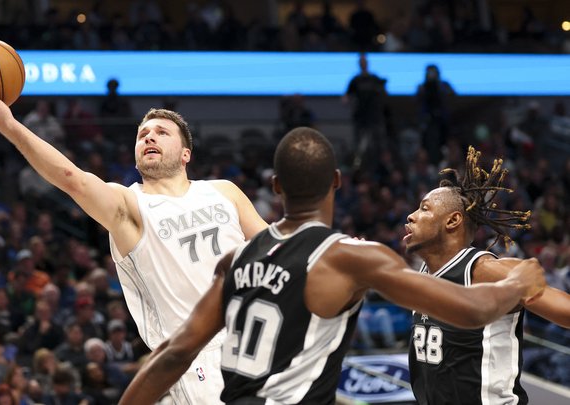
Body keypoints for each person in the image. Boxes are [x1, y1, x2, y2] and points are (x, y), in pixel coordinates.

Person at [119, 127, 545, 405]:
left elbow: (173, 354)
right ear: (337, 181)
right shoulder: (350, 257)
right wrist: (517, 283)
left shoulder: (236, 260)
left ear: (276, 187)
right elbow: (469, 310)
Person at [0, 72, 267, 404]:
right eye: (143, 134)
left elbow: (278, 250)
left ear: (186, 153)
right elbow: (72, 179)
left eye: (162, 133)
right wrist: (8, 124)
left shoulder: (223, 192)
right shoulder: (128, 204)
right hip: (198, 356)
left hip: (261, 341)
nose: (150, 138)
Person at [404, 146, 570, 405]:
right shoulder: (424, 271)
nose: (411, 216)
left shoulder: (484, 270)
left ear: (453, 221)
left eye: (424, 209)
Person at [341, 53, 388, 169]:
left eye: (364, 61)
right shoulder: (355, 80)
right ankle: (358, 166)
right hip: (360, 118)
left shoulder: (374, 79)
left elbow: (384, 94)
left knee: (378, 144)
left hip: (375, 117)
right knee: (359, 146)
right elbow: (346, 97)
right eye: (361, 62)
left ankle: (381, 165)